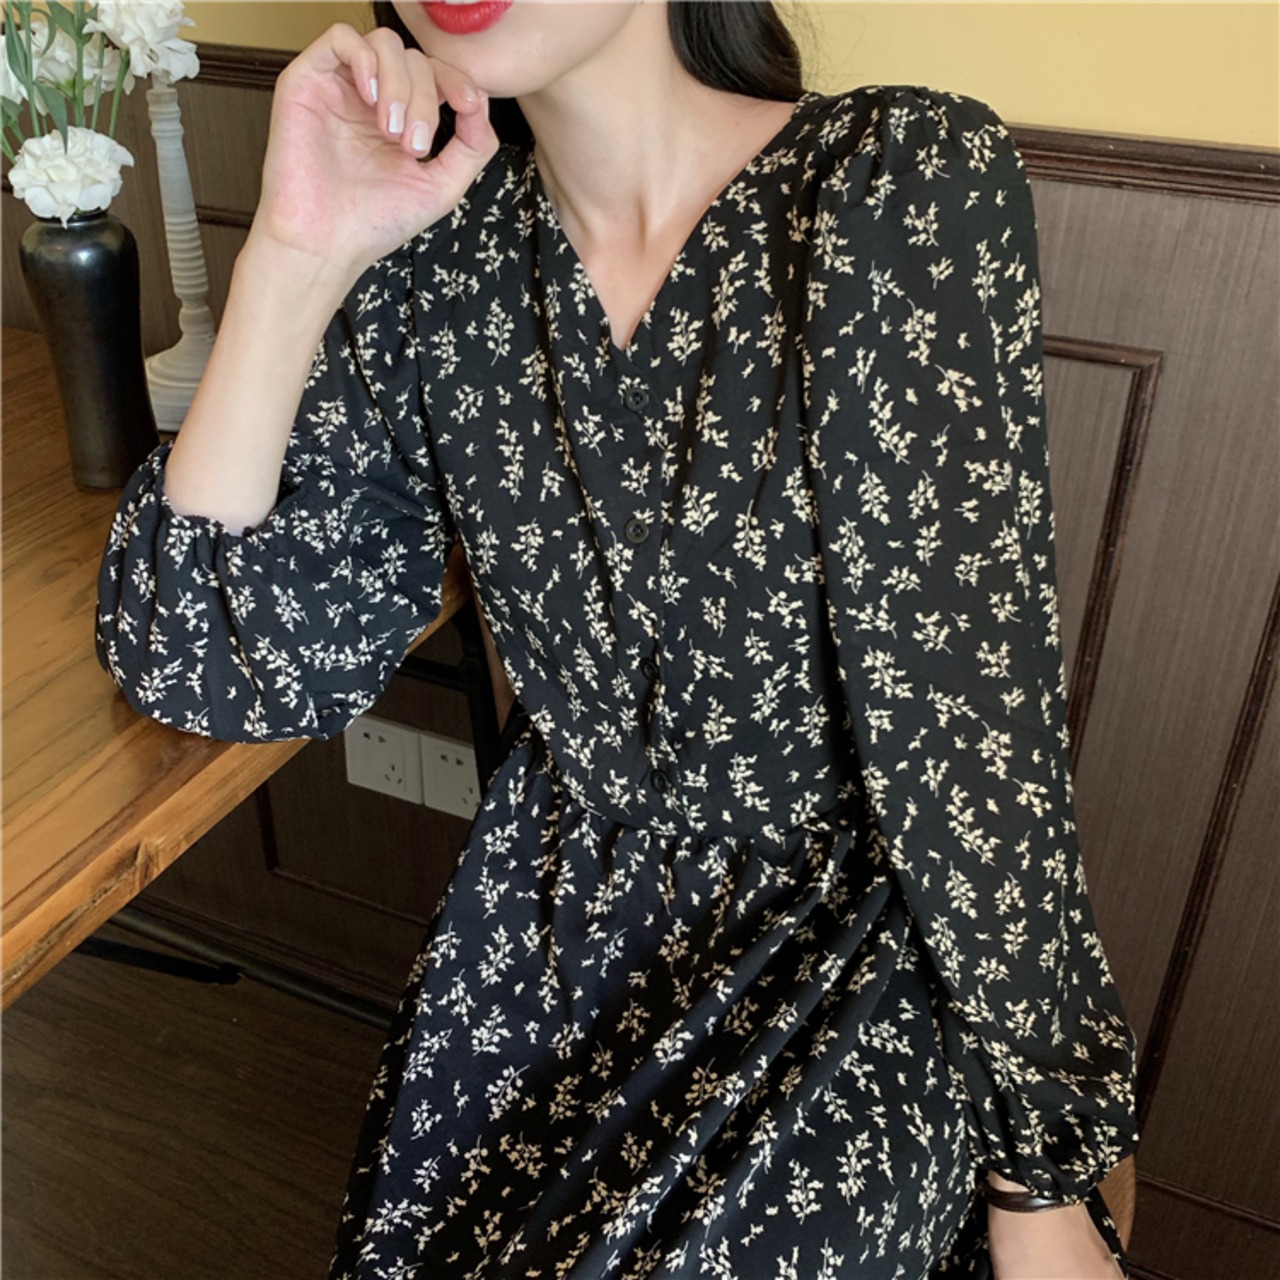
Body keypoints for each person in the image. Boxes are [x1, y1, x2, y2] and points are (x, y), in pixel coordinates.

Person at [93, 3, 1141, 1277]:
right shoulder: (434, 248)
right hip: (542, 940)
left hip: (849, 938)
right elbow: (206, 663)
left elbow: (970, 744)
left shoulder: (888, 183)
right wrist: (294, 256)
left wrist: (1038, 1174)